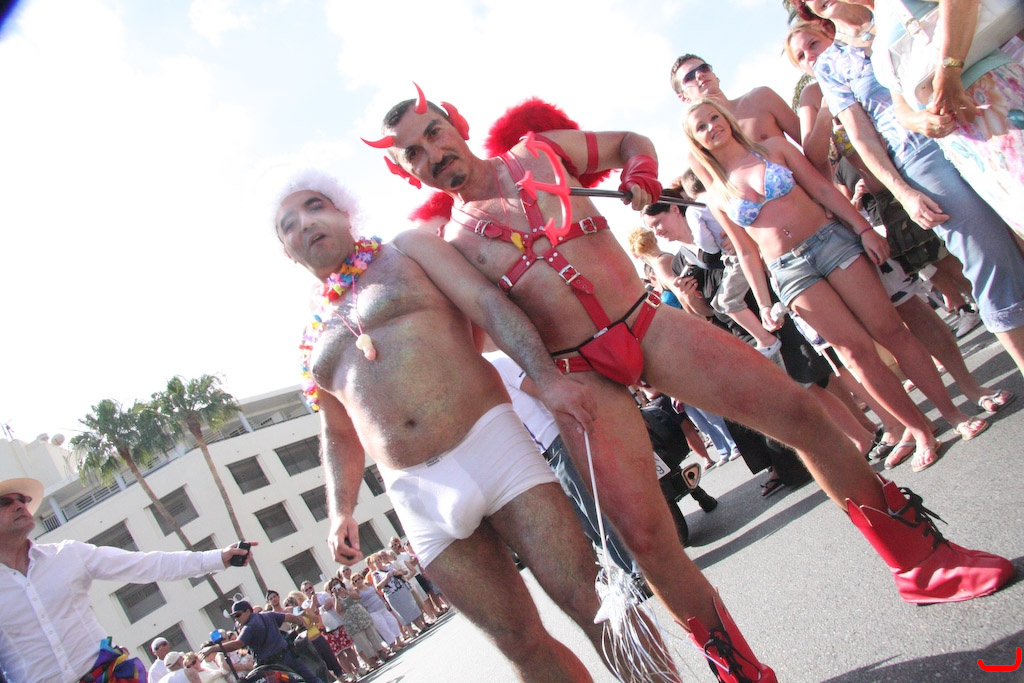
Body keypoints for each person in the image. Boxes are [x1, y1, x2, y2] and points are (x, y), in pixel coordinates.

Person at [374, 91, 1015, 681]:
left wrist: (639, 174)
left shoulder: (539, 151)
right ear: (407, 172)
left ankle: (919, 564)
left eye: (434, 134)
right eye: (414, 154)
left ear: (456, 124)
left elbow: (630, 142)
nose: (432, 154)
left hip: (647, 323)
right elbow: (477, 329)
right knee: (648, 538)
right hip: (577, 373)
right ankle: (741, 673)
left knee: (799, 412)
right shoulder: (449, 246)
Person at [273, 170, 676, 681]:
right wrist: (341, 511)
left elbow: (488, 304)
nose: (305, 223)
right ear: (288, 252)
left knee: (590, 598)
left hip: (490, 444)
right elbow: (337, 431)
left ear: (344, 211)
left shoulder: (407, 250)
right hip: (416, 493)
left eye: (314, 206)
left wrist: (546, 378)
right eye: (289, 224)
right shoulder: (312, 338)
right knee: (520, 645)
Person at [796, 0, 1024, 378]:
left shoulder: (896, 10)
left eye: (810, 45)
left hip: (975, 113)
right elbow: (861, 136)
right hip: (919, 155)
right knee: (987, 255)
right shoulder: (831, 66)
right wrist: (903, 191)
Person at [0, 477, 254, 683]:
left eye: (22, 499)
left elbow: (146, 565)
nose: (20, 505)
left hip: (107, 676)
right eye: (5, 502)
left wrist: (217, 558)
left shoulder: (67, 555)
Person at [199, 600, 324, 683]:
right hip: (288, 656)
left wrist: (213, 648)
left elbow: (238, 644)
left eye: (238, 615)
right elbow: (290, 617)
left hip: (272, 667)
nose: (236, 619)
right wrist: (300, 625)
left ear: (248, 611)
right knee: (312, 680)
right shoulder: (267, 615)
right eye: (234, 617)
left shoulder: (249, 627)